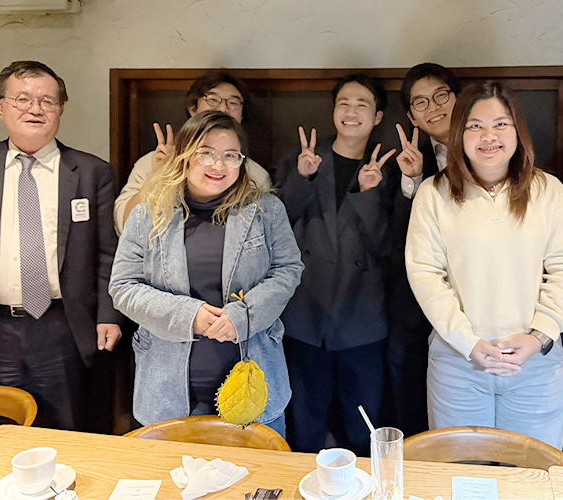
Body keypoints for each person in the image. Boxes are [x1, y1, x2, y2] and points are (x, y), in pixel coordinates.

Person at [405, 82, 563, 449]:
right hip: (459, 364)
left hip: (534, 363)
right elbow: (425, 274)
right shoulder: (433, 193)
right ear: (459, 133)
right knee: (461, 472)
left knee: (531, 471)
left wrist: (538, 336)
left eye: (501, 124)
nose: (489, 136)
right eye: (475, 126)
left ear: (518, 131)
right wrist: (468, 342)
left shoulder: (548, 190)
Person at [0, 61, 123, 430]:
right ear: (1, 107)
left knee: (66, 428)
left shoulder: (92, 172)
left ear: (60, 109)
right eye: (22, 99)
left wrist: (109, 314)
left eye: (47, 101)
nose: (35, 109)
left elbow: (108, 254)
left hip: (62, 326)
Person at [109, 111, 302, 436]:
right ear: (184, 155)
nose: (218, 165)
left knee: (258, 468)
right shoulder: (147, 213)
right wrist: (188, 316)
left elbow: (288, 270)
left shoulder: (266, 210)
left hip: (253, 381)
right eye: (206, 153)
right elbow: (124, 287)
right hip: (167, 387)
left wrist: (245, 315)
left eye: (231, 155)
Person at [276, 74, 396, 454]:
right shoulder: (303, 159)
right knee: (305, 421)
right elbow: (276, 226)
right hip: (305, 313)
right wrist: (303, 178)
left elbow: (390, 247)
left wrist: (369, 194)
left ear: (377, 116)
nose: (351, 111)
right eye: (344, 102)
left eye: (362, 104)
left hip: (362, 316)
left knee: (363, 424)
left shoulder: (389, 167)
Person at [387, 63, 462, 436]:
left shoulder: (492, 149)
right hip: (418, 311)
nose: (433, 107)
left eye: (441, 95)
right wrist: (413, 179)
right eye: (420, 102)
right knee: (414, 408)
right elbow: (396, 238)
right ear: (412, 116)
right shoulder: (404, 159)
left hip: (480, 308)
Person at [114, 70, 272, 234]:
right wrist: (159, 177)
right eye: (213, 100)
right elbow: (124, 225)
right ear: (193, 108)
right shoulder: (153, 162)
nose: (223, 108)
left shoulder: (257, 175)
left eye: (233, 103)